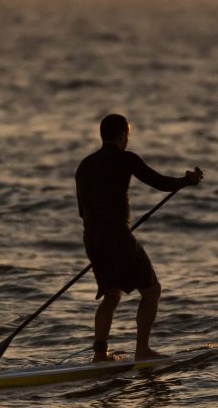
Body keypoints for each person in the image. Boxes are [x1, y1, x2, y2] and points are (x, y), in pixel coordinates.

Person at [75, 114, 203, 362]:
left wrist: (102, 235)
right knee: (152, 290)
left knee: (112, 294)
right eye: (127, 137)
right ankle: (142, 350)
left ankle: (100, 355)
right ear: (123, 136)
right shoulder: (125, 159)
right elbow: (159, 182)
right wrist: (186, 181)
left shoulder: (84, 165)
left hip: (92, 238)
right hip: (117, 237)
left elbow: (82, 211)